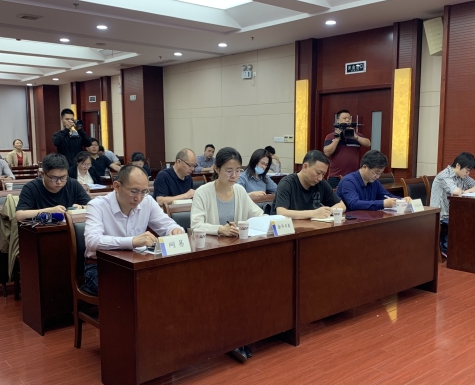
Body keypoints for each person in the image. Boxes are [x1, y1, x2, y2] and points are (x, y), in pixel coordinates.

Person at [190, 147, 264, 363]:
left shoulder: (239, 191)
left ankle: (244, 333)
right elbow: (195, 225)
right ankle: (230, 337)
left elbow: (258, 215)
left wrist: (252, 224)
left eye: (238, 170)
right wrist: (219, 229)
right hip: (210, 254)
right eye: (229, 171)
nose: (234, 175)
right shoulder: (203, 192)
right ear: (217, 169)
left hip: (237, 252)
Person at [84, 165, 184, 294]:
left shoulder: (147, 201)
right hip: (101, 266)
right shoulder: (97, 206)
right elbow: (92, 241)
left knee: (169, 281)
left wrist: (175, 230)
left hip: (136, 263)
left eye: (143, 192)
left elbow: (167, 224)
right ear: (117, 186)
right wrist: (132, 241)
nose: (139, 198)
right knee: (130, 290)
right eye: (134, 191)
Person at [431, 152, 475, 257]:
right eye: (467, 170)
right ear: (458, 165)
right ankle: (447, 248)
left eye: (469, 171)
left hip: (454, 212)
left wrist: (465, 191)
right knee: (465, 222)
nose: (468, 173)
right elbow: (456, 191)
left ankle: (465, 250)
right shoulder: (444, 176)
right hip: (441, 214)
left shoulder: (462, 175)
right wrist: (461, 191)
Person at [15, 153, 90, 222]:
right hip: (42, 230)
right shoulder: (31, 188)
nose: (59, 182)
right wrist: (50, 211)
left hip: (69, 228)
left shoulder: (73, 184)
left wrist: (81, 207)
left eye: (63, 177)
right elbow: (19, 215)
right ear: (43, 174)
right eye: (54, 178)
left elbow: (92, 207)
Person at [272, 150, 345, 219]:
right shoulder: (287, 183)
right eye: (318, 173)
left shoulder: (321, 183)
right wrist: (313, 213)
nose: (320, 178)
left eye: (323, 174)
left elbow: (342, 205)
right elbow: (281, 212)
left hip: (313, 226)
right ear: (305, 167)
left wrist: (328, 211)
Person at [337, 150, 411, 211]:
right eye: (376, 172)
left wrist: (401, 200)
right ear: (364, 167)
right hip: (350, 220)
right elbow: (354, 204)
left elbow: (387, 196)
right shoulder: (348, 181)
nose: (378, 177)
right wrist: (382, 204)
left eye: (380, 173)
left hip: (368, 218)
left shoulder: (374, 182)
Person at [323, 109, 371, 189]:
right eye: (344, 118)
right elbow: (327, 152)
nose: (347, 120)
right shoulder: (331, 136)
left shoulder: (357, 135)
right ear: (338, 120)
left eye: (349, 118)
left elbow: (368, 143)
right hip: (335, 177)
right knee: (335, 196)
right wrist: (337, 139)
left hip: (354, 176)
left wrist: (355, 137)